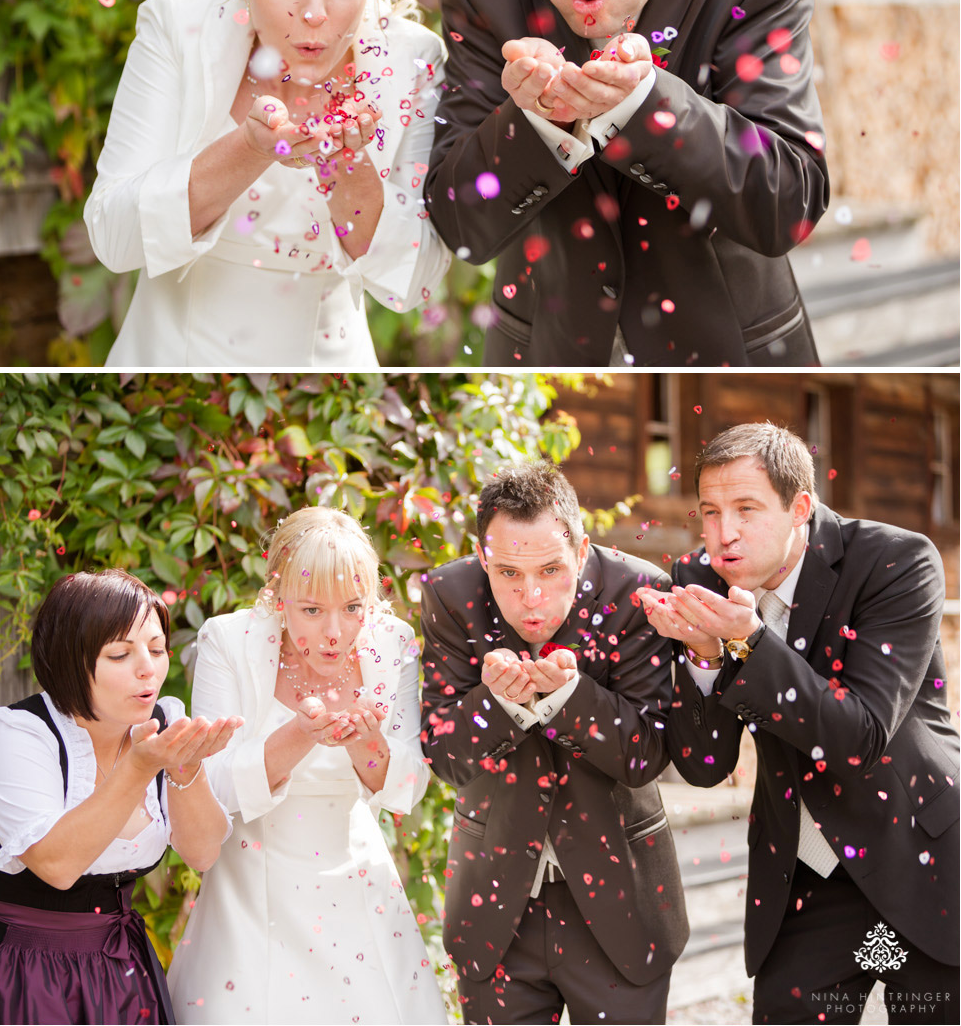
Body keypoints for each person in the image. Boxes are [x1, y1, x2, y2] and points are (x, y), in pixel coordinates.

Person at [426, 0, 828, 367]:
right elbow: (459, 225)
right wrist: (534, 122)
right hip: (540, 355)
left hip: (728, 350)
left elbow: (789, 202)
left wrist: (647, 107)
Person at [85, 0, 449, 367]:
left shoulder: (411, 58)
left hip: (326, 374)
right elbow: (113, 239)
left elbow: (413, 282)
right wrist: (250, 149)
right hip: (171, 359)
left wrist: (348, 170)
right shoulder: (177, 26)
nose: (316, 12)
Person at [640, 422, 960, 1024]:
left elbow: (859, 735)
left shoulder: (897, 561)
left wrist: (750, 640)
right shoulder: (698, 582)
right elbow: (705, 766)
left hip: (919, 853)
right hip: (804, 876)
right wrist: (706, 660)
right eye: (709, 511)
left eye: (746, 509)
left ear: (800, 509)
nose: (723, 534)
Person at [420, 461, 688, 1025]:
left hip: (621, 905)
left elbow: (645, 756)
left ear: (582, 549)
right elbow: (444, 757)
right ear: (482, 557)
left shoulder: (638, 595)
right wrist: (500, 705)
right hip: (495, 909)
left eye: (550, 570)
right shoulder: (450, 595)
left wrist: (571, 697)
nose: (531, 597)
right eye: (508, 575)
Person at [167, 505, 444, 1024]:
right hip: (249, 883)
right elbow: (212, 787)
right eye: (312, 610)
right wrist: (296, 736)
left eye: (353, 607)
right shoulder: (227, 640)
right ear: (279, 595)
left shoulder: (391, 644)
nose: (336, 632)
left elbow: (409, 784)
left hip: (355, 876)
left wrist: (368, 746)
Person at [0, 569, 238, 1026]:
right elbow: (57, 865)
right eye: (120, 654)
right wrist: (139, 766)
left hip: (122, 971)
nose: (149, 669)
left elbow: (202, 851)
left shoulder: (164, 722)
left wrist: (186, 767)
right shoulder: (15, 734)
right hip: (22, 970)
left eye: (157, 649)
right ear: (69, 661)